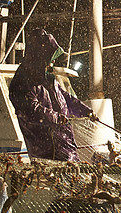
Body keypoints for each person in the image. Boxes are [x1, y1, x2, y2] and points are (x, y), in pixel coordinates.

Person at [9, 29, 97, 162]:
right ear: (40, 58)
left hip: (64, 144)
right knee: (58, 179)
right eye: (52, 59)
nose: (54, 62)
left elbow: (64, 97)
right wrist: (56, 118)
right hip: (47, 151)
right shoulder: (22, 82)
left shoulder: (48, 78)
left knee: (74, 175)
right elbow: (30, 111)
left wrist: (85, 111)